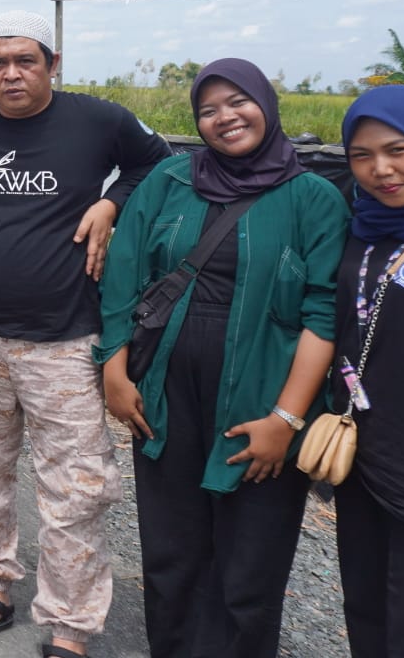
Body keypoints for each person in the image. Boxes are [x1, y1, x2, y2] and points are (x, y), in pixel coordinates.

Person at [0, 10, 170, 658]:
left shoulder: (99, 120)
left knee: (75, 488)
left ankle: (71, 625)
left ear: (53, 64)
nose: (11, 74)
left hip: (65, 342)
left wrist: (112, 202)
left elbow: (161, 166)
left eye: (26, 61)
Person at [98, 58, 347, 657]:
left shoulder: (313, 198)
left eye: (238, 102)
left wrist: (285, 420)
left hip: (263, 399)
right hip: (166, 395)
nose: (224, 118)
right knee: (171, 551)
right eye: (208, 110)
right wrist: (113, 369)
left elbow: (323, 314)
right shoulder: (171, 181)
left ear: (267, 104)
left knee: (250, 565)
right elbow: (124, 273)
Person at [330, 86, 404, 658]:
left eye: (398, 150)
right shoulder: (361, 227)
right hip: (363, 451)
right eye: (361, 156)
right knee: (364, 603)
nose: (380, 170)